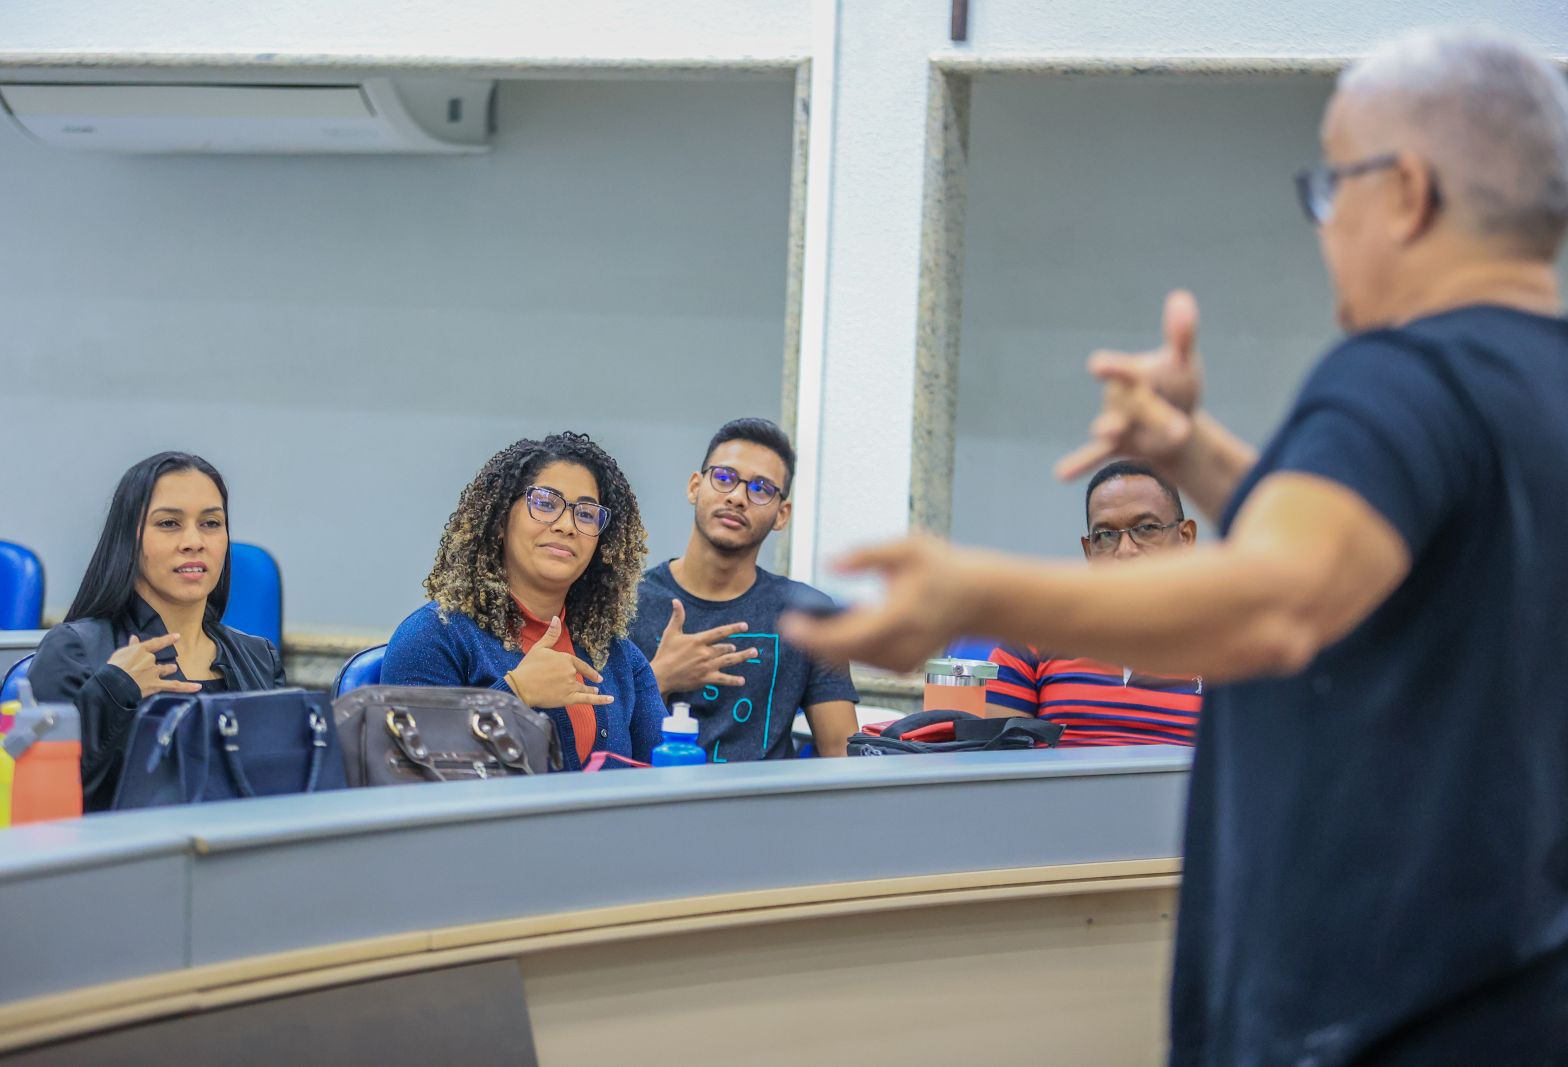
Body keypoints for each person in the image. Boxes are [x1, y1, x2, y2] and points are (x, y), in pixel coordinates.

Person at [785, 26, 1568, 1063]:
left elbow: (1279, 601)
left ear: (1407, 194)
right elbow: (1369, 561)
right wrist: (1191, 451)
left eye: (1330, 190)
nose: (1323, 227)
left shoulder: (1396, 378)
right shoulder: (1535, 389)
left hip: (1377, 1004)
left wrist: (978, 590)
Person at [383, 432, 664, 769]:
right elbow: (413, 774)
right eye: (545, 503)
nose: (566, 525)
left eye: (586, 514)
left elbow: (669, 779)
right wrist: (514, 693)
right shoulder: (434, 637)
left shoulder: (619, 658)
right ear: (501, 520)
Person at [28, 452, 285, 812]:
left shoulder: (259, 657)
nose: (194, 541)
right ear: (129, 539)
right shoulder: (75, 650)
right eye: (168, 524)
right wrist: (113, 692)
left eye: (211, 523)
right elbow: (39, 804)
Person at [628, 418, 858, 761]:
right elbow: (596, 744)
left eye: (761, 488)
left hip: (766, 811)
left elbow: (843, 754)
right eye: (724, 478)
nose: (737, 497)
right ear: (695, 487)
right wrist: (659, 678)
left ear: (782, 514)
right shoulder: (625, 602)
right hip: (654, 809)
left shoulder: (810, 615)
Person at [984, 460, 1201, 746]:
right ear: (1089, 551)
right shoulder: (1033, 637)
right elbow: (994, 768)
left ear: (1185, 538)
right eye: (1106, 536)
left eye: (1147, 528)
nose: (1125, 551)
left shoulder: (1235, 645)